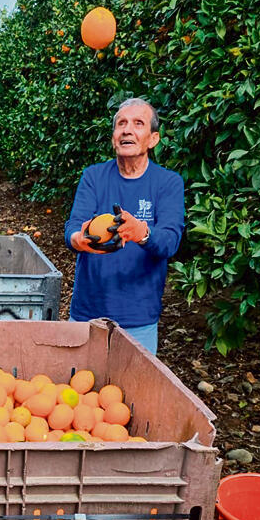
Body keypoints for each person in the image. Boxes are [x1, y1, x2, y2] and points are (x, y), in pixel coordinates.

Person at [64, 98, 184, 354]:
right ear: (114, 138)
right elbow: (73, 228)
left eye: (138, 123)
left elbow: (170, 240)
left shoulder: (168, 182)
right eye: (121, 124)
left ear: (153, 139)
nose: (127, 129)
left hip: (138, 318)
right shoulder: (93, 176)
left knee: (130, 393)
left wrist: (142, 233)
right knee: (79, 389)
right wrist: (79, 239)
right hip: (88, 312)